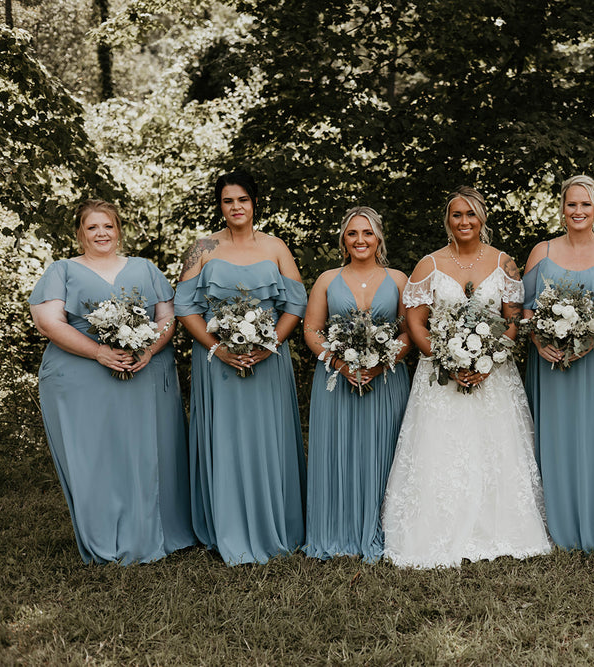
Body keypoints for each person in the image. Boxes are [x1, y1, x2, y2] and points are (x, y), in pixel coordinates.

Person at [381, 186, 552, 568]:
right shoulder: (430, 265)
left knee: (496, 449)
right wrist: (445, 360)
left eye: (471, 214)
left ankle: (499, 528)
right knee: (441, 450)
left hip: (494, 375)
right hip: (441, 375)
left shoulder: (504, 263)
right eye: (457, 215)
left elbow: (513, 317)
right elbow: (415, 320)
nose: (464, 222)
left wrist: (486, 360)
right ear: (448, 220)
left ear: (482, 219)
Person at [29, 200, 194, 564]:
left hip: (144, 371)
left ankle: (160, 530)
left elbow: (167, 315)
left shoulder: (145, 268)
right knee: (95, 454)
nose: (101, 233)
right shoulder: (63, 270)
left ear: (119, 230)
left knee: (149, 449)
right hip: (81, 376)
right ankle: (106, 536)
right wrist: (98, 352)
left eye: (108, 226)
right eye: (92, 228)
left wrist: (150, 348)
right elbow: (48, 322)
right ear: (80, 233)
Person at [174, 170, 307, 565]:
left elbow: (296, 304)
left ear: (254, 203)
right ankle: (226, 526)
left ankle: (274, 524)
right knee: (226, 439)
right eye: (228, 201)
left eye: (243, 200)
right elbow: (184, 305)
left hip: (268, 359)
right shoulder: (201, 247)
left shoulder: (276, 246)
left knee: (268, 437)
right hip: (217, 362)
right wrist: (217, 348)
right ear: (220, 205)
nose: (236, 207)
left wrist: (271, 345)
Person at [522, 175, 594, 552]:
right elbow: (525, 308)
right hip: (551, 363)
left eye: (585, 204)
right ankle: (553, 524)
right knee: (555, 440)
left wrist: (593, 338)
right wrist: (538, 341)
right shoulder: (542, 252)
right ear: (562, 208)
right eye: (572, 204)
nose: (578, 211)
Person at [302, 207, 412, 562]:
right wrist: (338, 363)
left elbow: (411, 331)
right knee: (337, 453)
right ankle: (335, 531)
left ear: (378, 237)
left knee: (384, 454)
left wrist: (383, 362)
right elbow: (311, 330)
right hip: (336, 382)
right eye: (353, 234)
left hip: (387, 380)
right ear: (343, 240)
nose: (360, 240)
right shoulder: (326, 279)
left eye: (367, 233)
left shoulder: (398, 279)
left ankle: (383, 529)